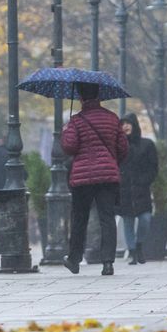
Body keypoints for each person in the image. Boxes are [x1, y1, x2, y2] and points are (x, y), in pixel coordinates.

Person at [61, 82, 128, 276]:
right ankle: (108, 263)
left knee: (79, 218)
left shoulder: (76, 121)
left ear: (81, 98)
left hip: (83, 178)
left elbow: (69, 148)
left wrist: (66, 132)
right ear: (99, 95)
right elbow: (123, 148)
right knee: (107, 218)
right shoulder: (112, 118)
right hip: (107, 177)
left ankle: (74, 259)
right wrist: (111, 162)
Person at [117, 113, 158, 265]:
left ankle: (139, 245)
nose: (125, 126)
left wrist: (144, 181)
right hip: (125, 191)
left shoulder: (147, 145)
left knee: (145, 219)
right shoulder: (119, 147)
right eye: (123, 124)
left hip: (142, 191)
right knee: (127, 222)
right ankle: (133, 252)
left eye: (128, 123)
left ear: (134, 125)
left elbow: (153, 168)